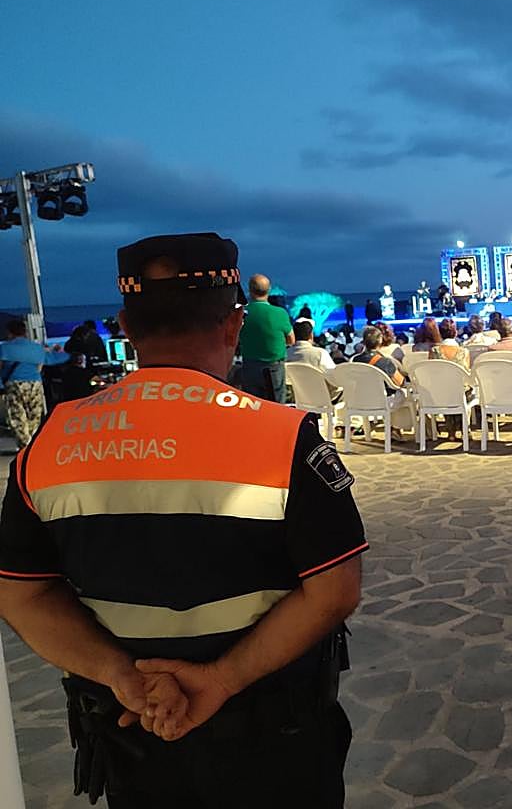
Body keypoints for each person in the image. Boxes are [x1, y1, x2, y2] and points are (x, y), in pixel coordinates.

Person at [0, 232, 366, 807]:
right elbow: (334, 591)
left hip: (130, 737)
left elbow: (21, 595)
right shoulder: (285, 439)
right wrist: (219, 680)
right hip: (275, 741)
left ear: (125, 324)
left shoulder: (48, 444)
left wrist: (121, 675)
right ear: (233, 324)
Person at [1, 320, 69, 448]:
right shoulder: (36, 348)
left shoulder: (4, 348)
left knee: (17, 418)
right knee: (35, 417)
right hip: (35, 385)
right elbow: (53, 359)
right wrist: (67, 354)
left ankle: (25, 446)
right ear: (25, 332)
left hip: (14, 385)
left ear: (9, 333)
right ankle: (33, 445)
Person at [239, 273, 294, 403]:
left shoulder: (241, 313)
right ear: (269, 290)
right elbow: (291, 339)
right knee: (276, 406)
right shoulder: (279, 313)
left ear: (250, 290)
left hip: (249, 366)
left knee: (253, 405)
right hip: (274, 367)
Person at [352, 325, 404, 394]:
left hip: (361, 397)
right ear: (380, 340)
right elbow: (400, 382)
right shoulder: (385, 362)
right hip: (384, 400)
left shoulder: (355, 360)